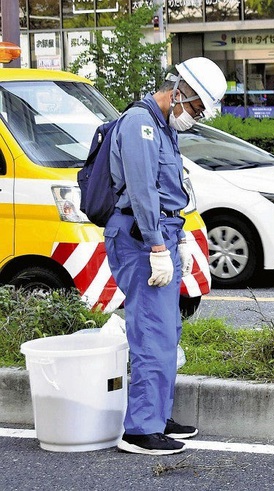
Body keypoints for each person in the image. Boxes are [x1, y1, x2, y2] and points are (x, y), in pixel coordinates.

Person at [105, 57, 227, 455]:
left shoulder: (163, 126)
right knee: (152, 334)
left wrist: (182, 239)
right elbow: (142, 193)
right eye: (195, 108)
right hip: (142, 239)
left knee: (168, 331)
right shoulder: (139, 125)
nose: (196, 116)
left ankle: (158, 415)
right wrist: (159, 246)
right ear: (178, 92)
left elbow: (172, 191)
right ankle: (140, 429)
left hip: (163, 235)